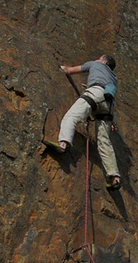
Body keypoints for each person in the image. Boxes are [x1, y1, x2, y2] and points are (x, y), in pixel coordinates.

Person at [45, 54, 121, 190]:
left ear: (103, 61)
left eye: (99, 58)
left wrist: (61, 68)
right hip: (109, 106)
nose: (97, 59)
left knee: (71, 117)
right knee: (104, 141)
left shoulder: (95, 64)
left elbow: (70, 70)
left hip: (96, 93)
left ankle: (63, 144)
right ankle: (114, 177)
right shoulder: (113, 78)